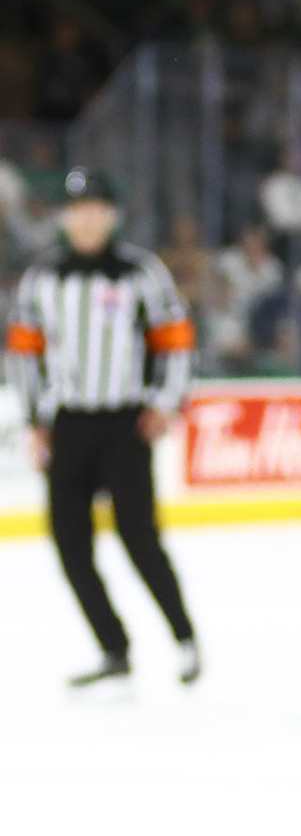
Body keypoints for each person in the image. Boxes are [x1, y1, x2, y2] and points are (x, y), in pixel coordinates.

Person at [3, 169, 201, 686]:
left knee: (140, 538)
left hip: (124, 424)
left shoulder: (141, 273)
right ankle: (114, 647)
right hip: (68, 425)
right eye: (77, 210)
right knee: (69, 542)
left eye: (96, 209)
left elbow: (176, 339)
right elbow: (23, 353)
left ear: (112, 216)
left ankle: (184, 637)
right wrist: (35, 420)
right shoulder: (42, 279)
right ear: (63, 218)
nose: (87, 220)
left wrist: (166, 402)